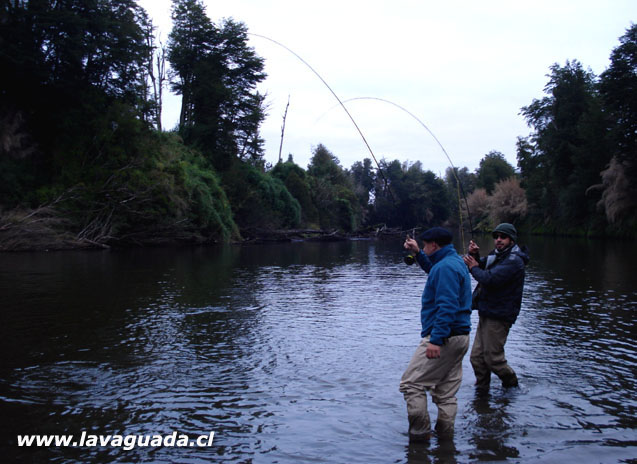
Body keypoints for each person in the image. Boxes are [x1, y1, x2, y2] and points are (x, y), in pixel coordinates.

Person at [400, 227, 472, 441]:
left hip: (444, 338)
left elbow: (447, 307)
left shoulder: (446, 268)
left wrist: (436, 340)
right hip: (460, 337)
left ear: (434, 245)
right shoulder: (454, 262)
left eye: (423, 245)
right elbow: (435, 272)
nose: (422, 247)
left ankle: (420, 438)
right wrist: (419, 255)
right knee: (445, 393)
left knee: (411, 384)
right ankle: (445, 440)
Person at [462, 223, 529, 391]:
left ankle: (512, 385)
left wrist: (473, 267)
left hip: (500, 315)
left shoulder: (514, 261)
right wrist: (475, 256)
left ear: (511, 240)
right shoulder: (498, 255)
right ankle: (482, 391)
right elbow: (483, 266)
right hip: (487, 311)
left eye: (503, 237)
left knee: (493, 358)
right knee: (477, 358)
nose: (498, 240)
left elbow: (489, 279)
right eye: (496, 237)